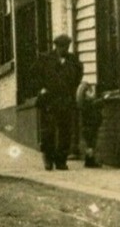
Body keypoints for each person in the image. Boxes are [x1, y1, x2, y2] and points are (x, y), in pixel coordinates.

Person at [35, 33, 83, 170]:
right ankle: (48, 159)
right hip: (49, 99)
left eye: (67, 47)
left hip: (65, 99)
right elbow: (35, 76)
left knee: (65, 131)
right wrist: (41, 88)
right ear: (56, 46)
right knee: (48, 131)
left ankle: (61, 160)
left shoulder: (73, 60)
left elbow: (78, 76)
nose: (64, 50)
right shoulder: (45, 59)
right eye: (62, 47)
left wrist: (71, 90)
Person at [77, 81, 104, 168]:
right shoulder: (88, 104)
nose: (91, 93)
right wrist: (103, 99)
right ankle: (90, 160)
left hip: (87, 126)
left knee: (90, 144)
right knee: (91, 144)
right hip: (90, 126)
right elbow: (96, 104)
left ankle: (89, 159)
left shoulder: (83, 104)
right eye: (89, 91)